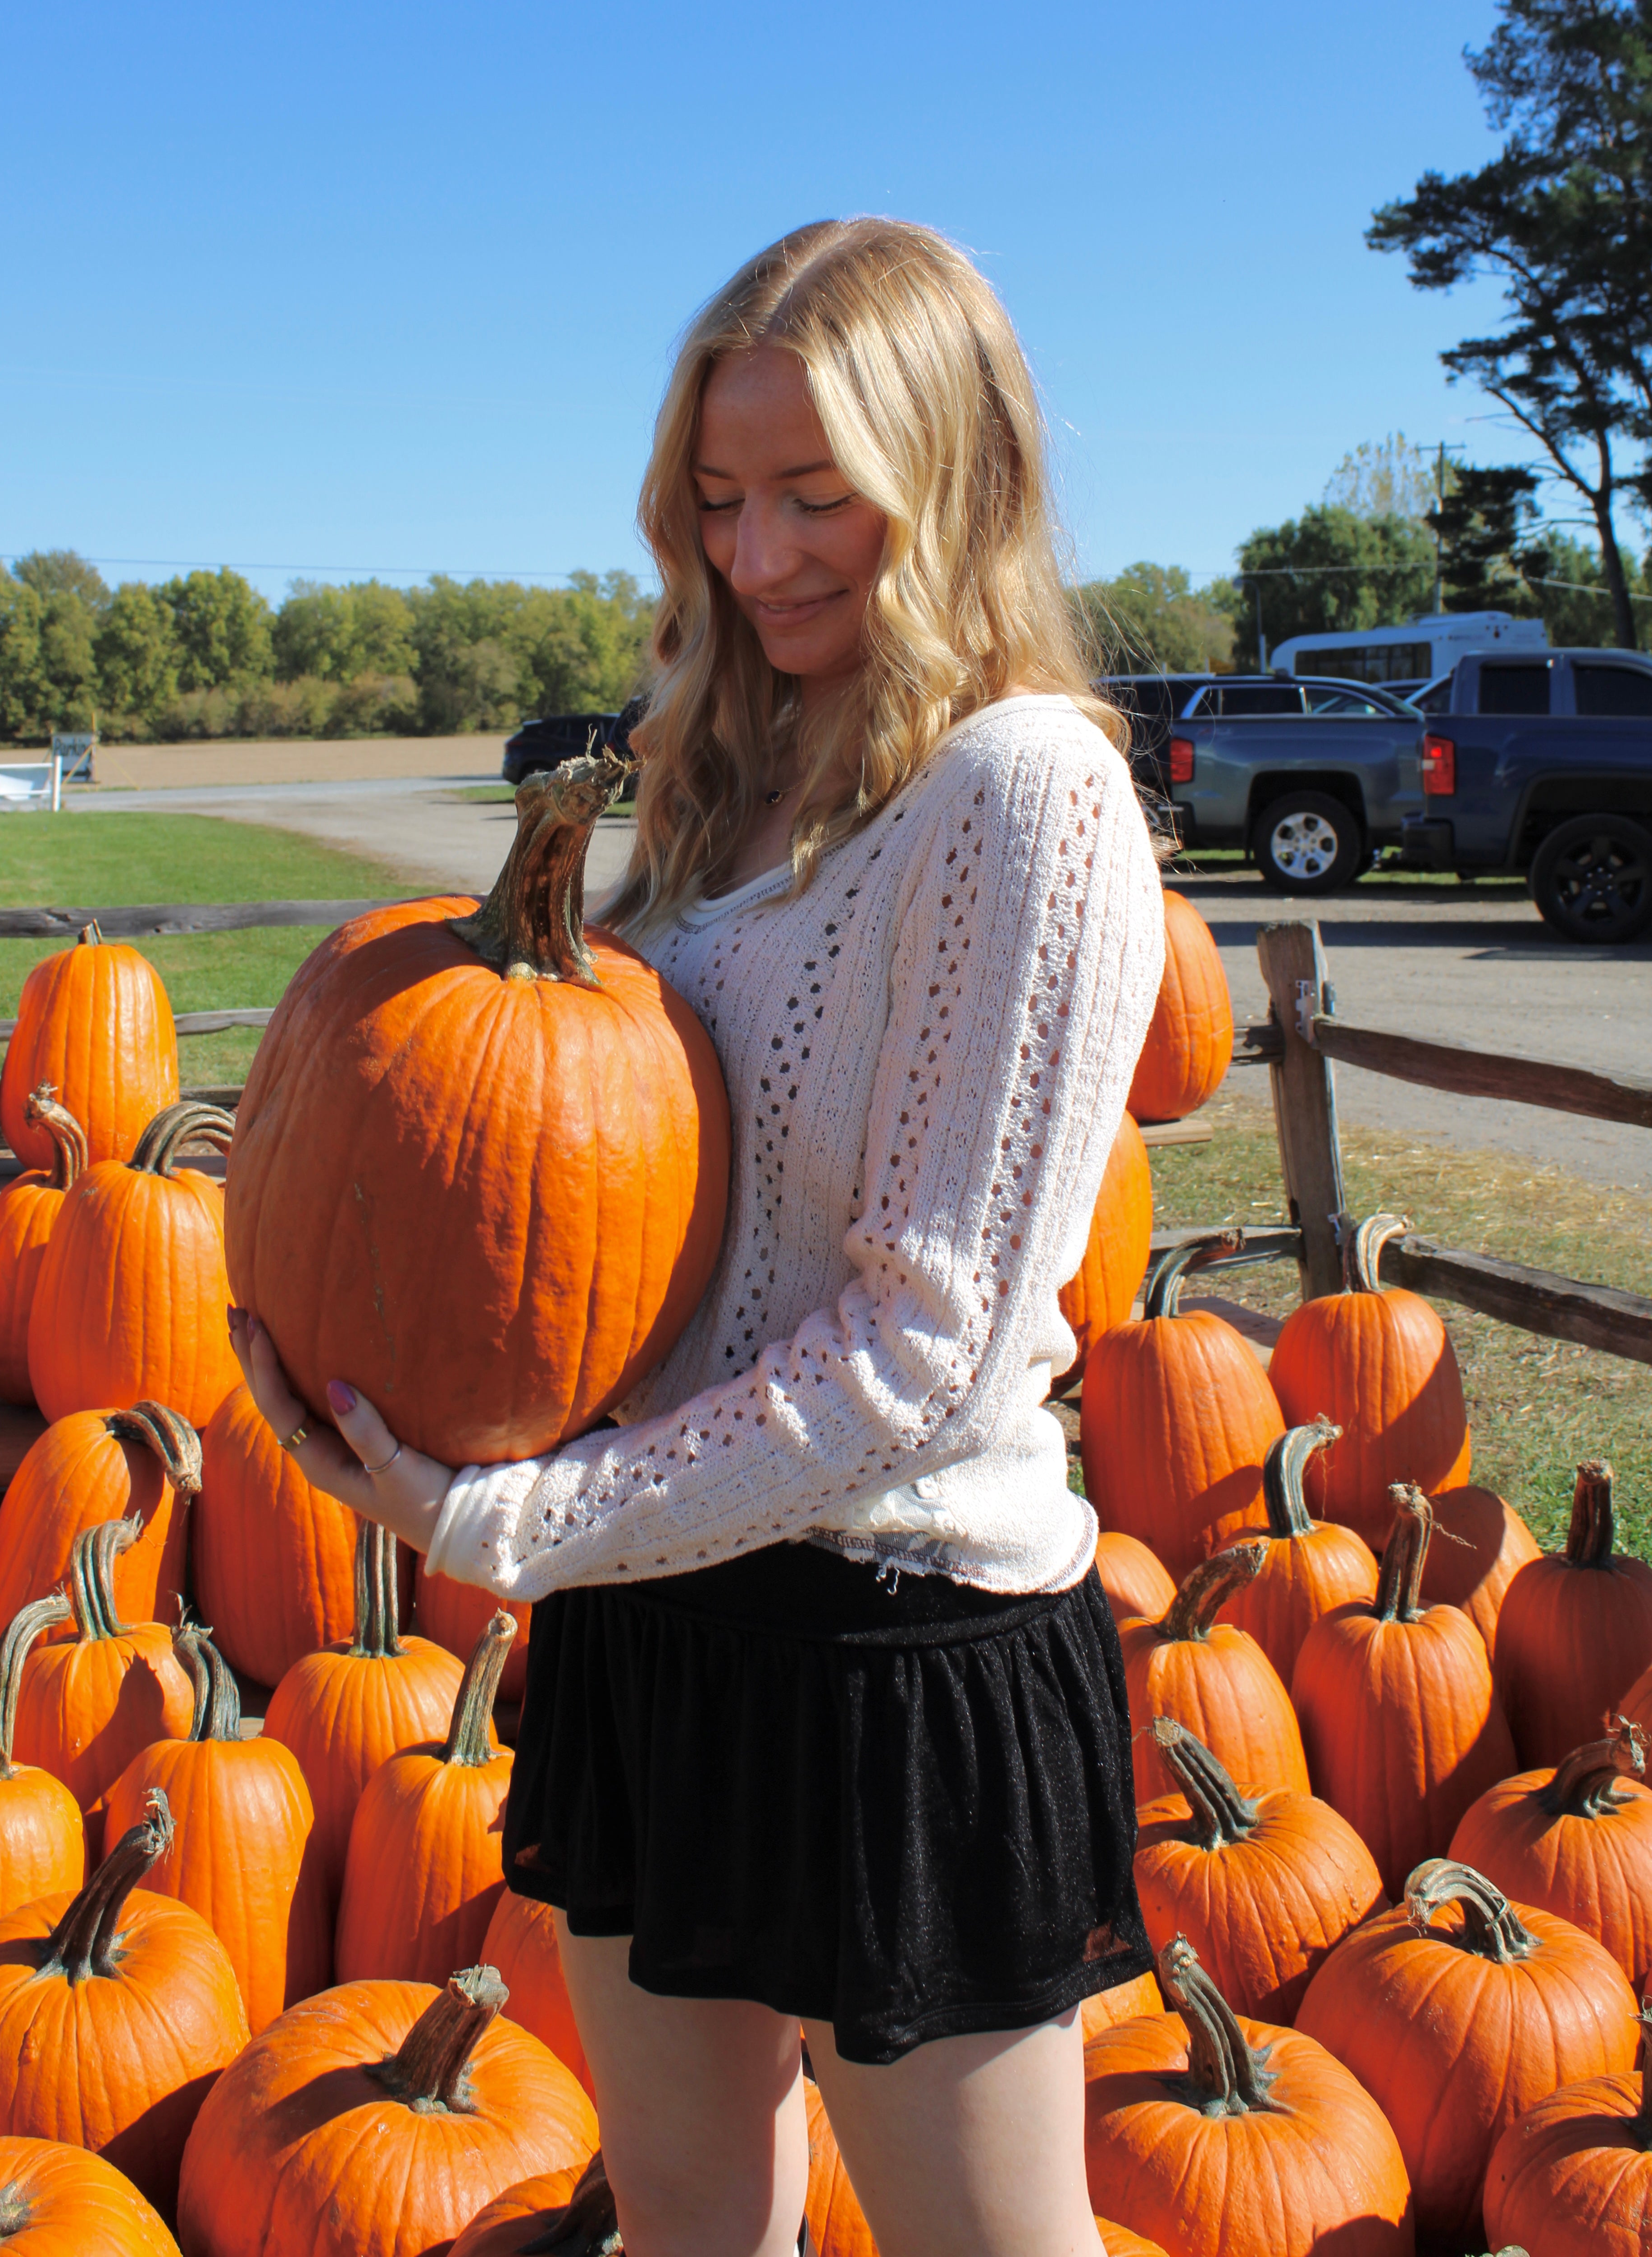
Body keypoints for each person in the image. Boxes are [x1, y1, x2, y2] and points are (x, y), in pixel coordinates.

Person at [230, 216, 1166, 2257]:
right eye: (719, 500)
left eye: (817, 493)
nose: (757, 555)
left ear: (954, 473)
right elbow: (564, 1164)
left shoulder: (1026, 795)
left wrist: (514, 1522)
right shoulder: (718, 764)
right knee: (685, 2230)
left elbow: (927, 1351)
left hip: (890, 1645)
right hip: (657, 1619)